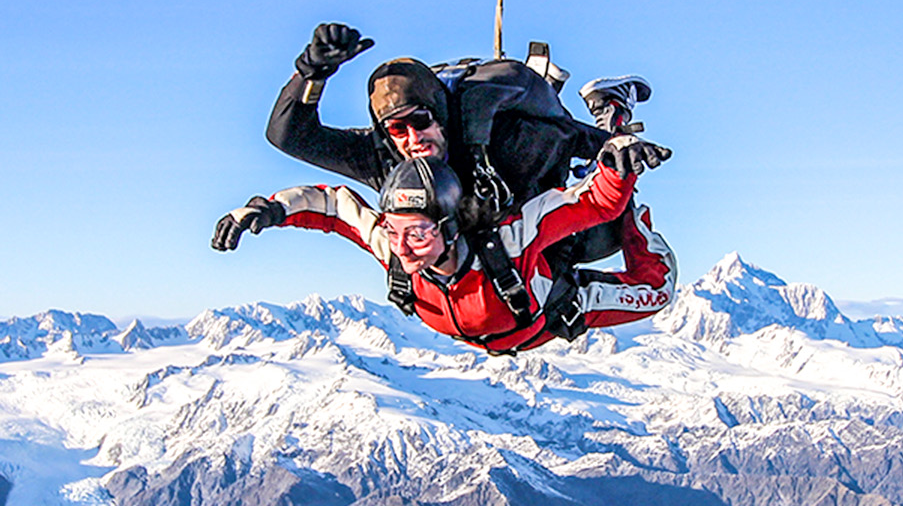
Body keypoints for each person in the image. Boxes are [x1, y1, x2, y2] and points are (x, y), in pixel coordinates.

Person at [212, 139, 675, 355]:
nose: (404, 249)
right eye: (394, 232)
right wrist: (266, 211)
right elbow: (332, 207)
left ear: (451, 228)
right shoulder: (394, 249)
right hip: (503, 330)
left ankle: (615, 139)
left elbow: (587, 204)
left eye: (418, 233)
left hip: (552, 314)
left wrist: (619, 172)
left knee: (659, 292)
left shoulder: (509, 243)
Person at [264, 23, 660, 262]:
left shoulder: (505, 141)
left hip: (535, 187)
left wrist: (617, 143)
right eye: (397, 131)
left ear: (441, 115)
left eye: (421, 123)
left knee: (604, 234)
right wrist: (312, 74)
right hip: (482, 246)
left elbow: (573, 137)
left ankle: (609, 104)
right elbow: (289, 136)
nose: (413, 140)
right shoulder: (383, 158)